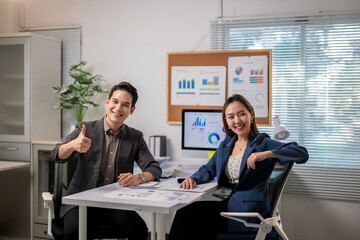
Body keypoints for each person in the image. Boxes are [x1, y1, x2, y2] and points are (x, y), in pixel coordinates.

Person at [168, 94, 308, 240]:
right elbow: (209, 168)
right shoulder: (226, 144)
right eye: (231, 117)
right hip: (232, 205)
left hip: (249, 213)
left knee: (188, 219)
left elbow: (301, 153)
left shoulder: (262, 143)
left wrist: (265, 154)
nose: (237, 121)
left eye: (242, 114)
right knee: (186, 215)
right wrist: (193, 179)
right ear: (226, 121)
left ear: (251, 115)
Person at [51, 81, 162, 240]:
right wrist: (72, 145)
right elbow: (56, 154)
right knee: (72, 232)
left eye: (125, 105)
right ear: (107, 102)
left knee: (138, 230)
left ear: (132, 110)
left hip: (114, 203)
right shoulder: (85, 129)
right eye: (115, 102)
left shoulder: (135, 137)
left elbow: (154, 169)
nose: (118, 108)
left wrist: (139, 177)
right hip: (81, 201)